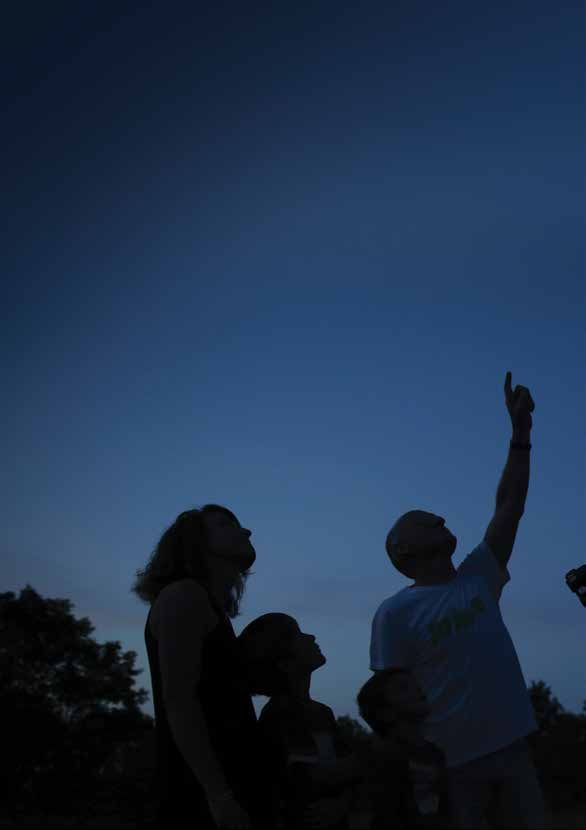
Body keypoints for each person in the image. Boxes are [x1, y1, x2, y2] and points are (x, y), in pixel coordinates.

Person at [369, 372, 546, 829]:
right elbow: (388, 701)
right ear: (402, 550)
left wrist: (520, 434)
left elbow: (509, 505)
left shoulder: (479, 576)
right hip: (450, 768)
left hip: (514, 752)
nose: (440, 517)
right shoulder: (394, 614)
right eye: (425, 521)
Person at [132, 504, 273, 830]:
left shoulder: (206, 605)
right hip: (199, 796)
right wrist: (219, 796)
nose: (246, 531)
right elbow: (179, 702)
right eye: (225, 525)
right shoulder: (184, 596)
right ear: (195, 542)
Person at [239, 612, 367, 830]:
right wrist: (368, 760)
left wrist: (342, 802)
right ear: (284, 663)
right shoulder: (279, 716)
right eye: (298, 635)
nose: (312, 637)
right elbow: (307, 776)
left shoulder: (323, 712)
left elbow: (345, 772)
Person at [357, 668, 453, 829]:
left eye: (416, 686)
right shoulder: (380, 757)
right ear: (385, 712)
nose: (418, 690)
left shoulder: (435, 754)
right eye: (403, 688)